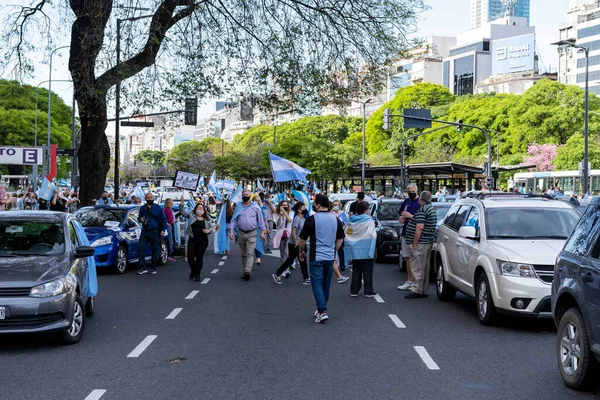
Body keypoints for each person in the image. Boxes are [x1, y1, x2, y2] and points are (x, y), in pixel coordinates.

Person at [299, 194, 345, 323]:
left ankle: (322, 310)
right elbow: (340, 240)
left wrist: (300, 252)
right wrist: (333, 251)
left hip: (316, 256)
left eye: (314, 203)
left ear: (318, 205)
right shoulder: (336, 220)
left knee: (316, 283)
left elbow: (302, 240)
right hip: (329, 257)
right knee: (325, 284)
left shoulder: (311, 220)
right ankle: (321, 309)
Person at [404, 191, 437, 299]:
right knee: (424, 267)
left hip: (421, 243)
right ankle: (423, 290)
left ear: (421, 200)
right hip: (427, 241)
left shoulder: (423, 210)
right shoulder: (431, 208)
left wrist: (414, 243)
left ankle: (417, 290)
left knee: (417, 267)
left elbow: (419, 227)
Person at [229, 190, 266, 281]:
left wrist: (262, 231)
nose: (245, 196)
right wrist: (231, 231)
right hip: (241, 232)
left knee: (250, 253)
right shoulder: (238, 206)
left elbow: (261, 220)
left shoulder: (255, 207)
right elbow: (234, 219)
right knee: (243, 254)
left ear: (250, 196)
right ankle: (245, 269)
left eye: (247, 194)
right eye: (243, 195)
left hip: (252, 232)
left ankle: (247, 271)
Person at [272, 201, 310, 285]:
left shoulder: (304, 219)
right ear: (299, 210)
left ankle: (306, 278)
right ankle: (277, 274)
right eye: (303, 208)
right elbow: (293, 232)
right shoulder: (297, 219)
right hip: (294, 243)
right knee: (291, 260)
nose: (305, 209)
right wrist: (296, 243)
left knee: (300, 260)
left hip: (301, 242)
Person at [345, 201, 377, 297]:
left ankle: (354, 290)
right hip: (367, 248)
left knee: (356, 270)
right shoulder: (369, 221)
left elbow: (348, 233)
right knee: (367, 271)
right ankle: (368, 291)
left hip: (355, 249)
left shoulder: (351, 220)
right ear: (367, 210)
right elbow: (372, 235)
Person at [137, 192, 168, 275]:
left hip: (155, 231)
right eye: (148, 197)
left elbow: (164, 220)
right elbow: (139, 218)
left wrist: (163, 230)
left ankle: (153, 268)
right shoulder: (142, 208)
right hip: (145, 231)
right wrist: (141, 220)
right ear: (145, 198)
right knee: (141, 248)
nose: (150, 199)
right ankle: (142, 267)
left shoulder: (157, 208)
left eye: (151, 197)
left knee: (155, 250)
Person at [180, 202, 213, 281]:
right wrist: (181, 203)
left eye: (202, 208)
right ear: (195, 209)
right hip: (192, 238)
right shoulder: (191, 215)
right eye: (199, 208)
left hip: (203, 240)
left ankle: (197, 274)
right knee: (190, 256)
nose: (200, 209)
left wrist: (208, 230)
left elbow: (212, 228)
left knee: (199, 257)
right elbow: (182, 212)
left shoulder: (208, 218)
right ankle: (193, 270)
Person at [397, 183, 420, 291]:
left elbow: (421, 219)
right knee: (407, 258)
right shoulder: (406, 201)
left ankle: (416, 282)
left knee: (415, 258)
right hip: (406, 232)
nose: (411, 193)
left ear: (416, 191)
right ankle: (409, 281)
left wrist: (411, 216)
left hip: (415, 234)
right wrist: (401, 218)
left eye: (412, 192)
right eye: (409, 192)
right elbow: (400, 214)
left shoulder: (419, 202)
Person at [273, 200, 293, 265]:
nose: (285, 206)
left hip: (288, 234)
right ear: (280, 206)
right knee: (282, 252)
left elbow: (289, 220)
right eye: (284, 205)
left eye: (286, 205)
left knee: (287, 252)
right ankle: (283, 269)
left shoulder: (291, 212)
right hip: (281, 234)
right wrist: (280, 216)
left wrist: (284, 212)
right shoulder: (277, 214)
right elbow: (277, 225)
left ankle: (287, 268)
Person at [163, 198, 177, 262]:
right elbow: (170, 221)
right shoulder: (169, 210)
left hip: (165, 226)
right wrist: (175, 220)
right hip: (169, 226)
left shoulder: (164, 210)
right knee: (170, 240)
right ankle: (170, 255)